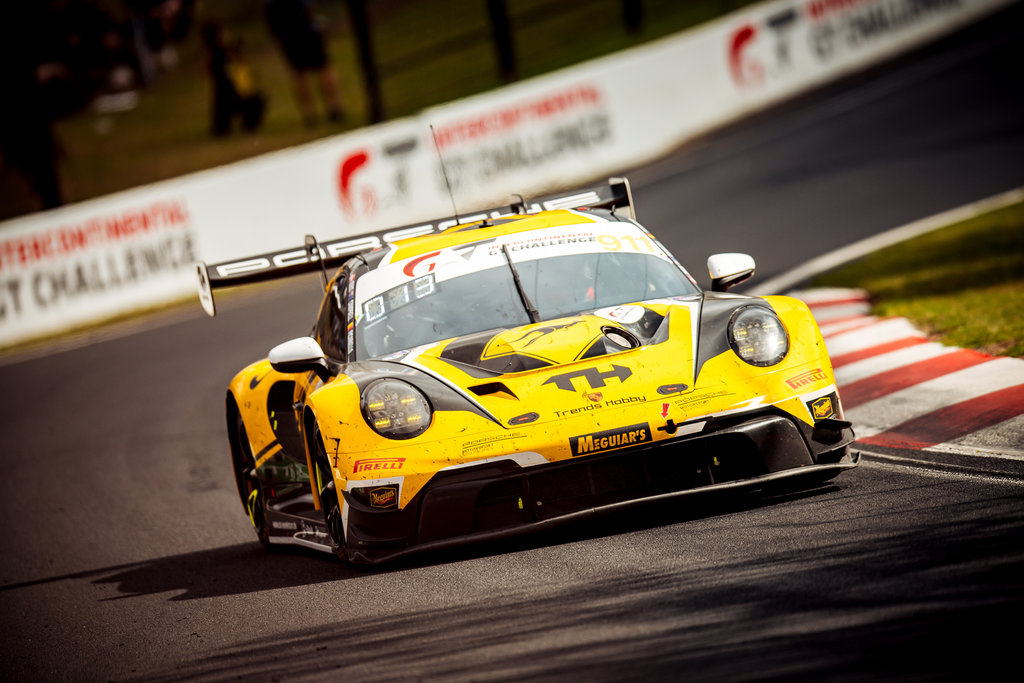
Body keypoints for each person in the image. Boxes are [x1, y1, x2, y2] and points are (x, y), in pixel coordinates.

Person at [264, 0, 342, 127]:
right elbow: (307, 9)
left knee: (300, 75)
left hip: (289, 38)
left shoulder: (271, 4)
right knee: (322, 69)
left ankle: (310, 114)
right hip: (307, 33)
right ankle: (333, 107)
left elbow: (271, 21)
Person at [201, 21, 265, 136]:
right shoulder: (223, 50)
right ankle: (248, 124)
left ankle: (230, 126)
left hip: (223, 95)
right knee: (256, 100)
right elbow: (241, 61)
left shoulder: (212, 51)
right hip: (234, 92)